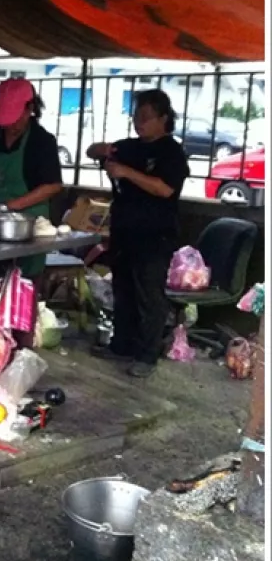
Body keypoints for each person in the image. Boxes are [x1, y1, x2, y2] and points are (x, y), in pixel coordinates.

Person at [86, 89, 190, 378]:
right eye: (136, 117)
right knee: (124, 292)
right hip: (124, 232)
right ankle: (122, 345)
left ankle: (147, 354)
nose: (139, 123)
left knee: (149, 297)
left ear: (163, 119)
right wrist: (104, 150)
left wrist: (127, 173)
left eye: (145, 117)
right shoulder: (129, 147)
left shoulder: (171, 152)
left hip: (155, 236)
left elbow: (165, 189)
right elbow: (92, 149)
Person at [0, 77, 64, 343]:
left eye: (15, 116)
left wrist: (11, 206)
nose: (9, 124)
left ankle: (19, 356)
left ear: (30, 108)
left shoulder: (42, 141)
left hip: (26, 228)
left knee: (21, 299)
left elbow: (52, 185)